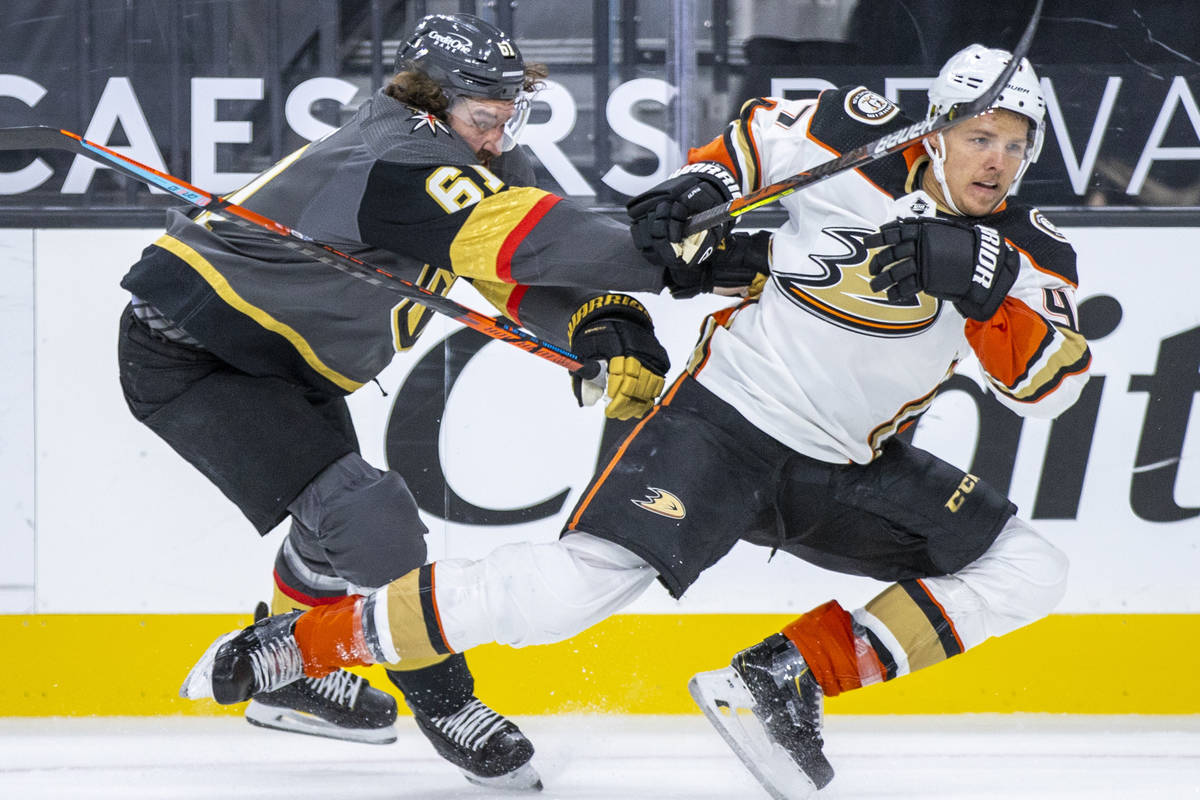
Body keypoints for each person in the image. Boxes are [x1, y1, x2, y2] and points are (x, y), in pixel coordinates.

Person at [178, 44, 1090, 798]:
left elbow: (1047, 381)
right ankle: (297, 646)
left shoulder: (1029, 248)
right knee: (563, 596)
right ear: (937, 128)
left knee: (1029, 568)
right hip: (723, 425)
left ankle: (785, 680)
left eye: (1015, 145)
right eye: (978, 136)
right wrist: (698, 184)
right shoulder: (852, 132)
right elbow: (752, 135)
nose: (994, 162)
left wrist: (986, 288)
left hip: (849, 468)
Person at [118, 12, 677, 791]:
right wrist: (679, 253)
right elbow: (535, 242)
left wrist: (602, 322)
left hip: (290, 356)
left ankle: (294, 674)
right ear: (431, 100)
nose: (498, 136)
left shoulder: (476, 158)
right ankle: (446, 705)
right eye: (485, 118)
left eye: (509, 116)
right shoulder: (397, 153)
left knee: (331, 521)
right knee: (367, 515)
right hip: (197, 347)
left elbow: (531, 273)